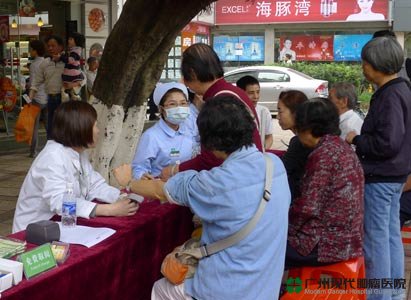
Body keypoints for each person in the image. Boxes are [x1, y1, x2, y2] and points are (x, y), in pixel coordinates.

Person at [114, 95, 290, 300]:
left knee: (161, 289)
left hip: (227, 289)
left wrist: (128, 182)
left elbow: (160, 190)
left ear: (209, 143)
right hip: (267, 283)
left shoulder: (214, 183)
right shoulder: (274, 165)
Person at [346, 36, 411, 300]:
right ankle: (393, 294)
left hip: (381, 177)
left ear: (377, 65)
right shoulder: (403, 89)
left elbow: (388, 142)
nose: (362, 67)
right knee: (389, 236)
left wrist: (357, 140)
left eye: (365, 62)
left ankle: (379, 296)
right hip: (394, 176)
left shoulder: (390, 95)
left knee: (376, 242)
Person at [12, 101, 138, 233]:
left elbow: (95, 185)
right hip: (35, 231)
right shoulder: (52, 157)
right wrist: (109, 210)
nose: (98, 131)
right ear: (80, 127)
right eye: (95, 125)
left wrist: (120, 197)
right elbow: (60, 202)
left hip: (61, 224)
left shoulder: (77, 152)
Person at [160, 43, 263, 179]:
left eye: (185, 77)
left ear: (192, 73)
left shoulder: (220, 102)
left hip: (240, 178)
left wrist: (174, 170)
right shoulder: (233, 92)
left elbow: (211, 159)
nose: (184, 83)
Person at [287, 98, 364, 268]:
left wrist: (282, 222)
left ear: (307, 128)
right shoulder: (341, 147)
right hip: (349, 239)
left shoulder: (323, 155)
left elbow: (308, 208)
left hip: (328, 244)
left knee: (265, 249)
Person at [131, 82, 193, 180]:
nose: (179, 108)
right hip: (162, 189)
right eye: (172, 104)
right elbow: (138, 169)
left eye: (183, 103)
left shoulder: (189, 131)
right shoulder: (151, 136)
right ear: (161, 109)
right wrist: (142, 176)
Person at [29, 35, 81, 139]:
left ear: (61, 47)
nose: (50, 48)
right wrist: (32, 92)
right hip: (50, 99)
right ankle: (52, 151)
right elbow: (37, 79)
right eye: (48, 46)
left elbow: (81, 79)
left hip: (65, 99)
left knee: (65, 128)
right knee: (51, 130)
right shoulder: (45, 63)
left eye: (53, 45)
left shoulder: (68, 61)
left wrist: (72, 84)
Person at [277, 90, 311, 200]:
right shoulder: (304, 138)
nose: (277, 117)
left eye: (280, 111)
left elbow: (281, 170)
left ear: (295, 113)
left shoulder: (299, 142)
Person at [236, 75, 273, 149]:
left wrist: (262, 149)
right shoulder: (233, 113)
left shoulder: (264, 112)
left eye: (258, 92)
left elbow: (269, 137)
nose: (256, 96)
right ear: (241, 93)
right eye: (251, 93)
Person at [27, 39, 47, 158]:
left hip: (36, 99)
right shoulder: (47, 62)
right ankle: (52, 150)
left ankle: (33, 151)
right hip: (47, 98)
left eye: (31, 49)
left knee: (34, 127)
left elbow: (33, 83)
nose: (30, 51)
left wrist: (29, 98)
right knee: (49, 126)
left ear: (35, 51)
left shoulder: (34, 65)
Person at [60, 32, 85, 101]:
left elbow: (71, 60)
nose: (68, 40)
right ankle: (72, 95)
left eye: (71, 39)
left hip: (72, 74)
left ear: (76, 41)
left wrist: (61, 57)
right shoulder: (74, 51)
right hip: (72, 75)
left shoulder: (75, 51)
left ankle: (71, 95)